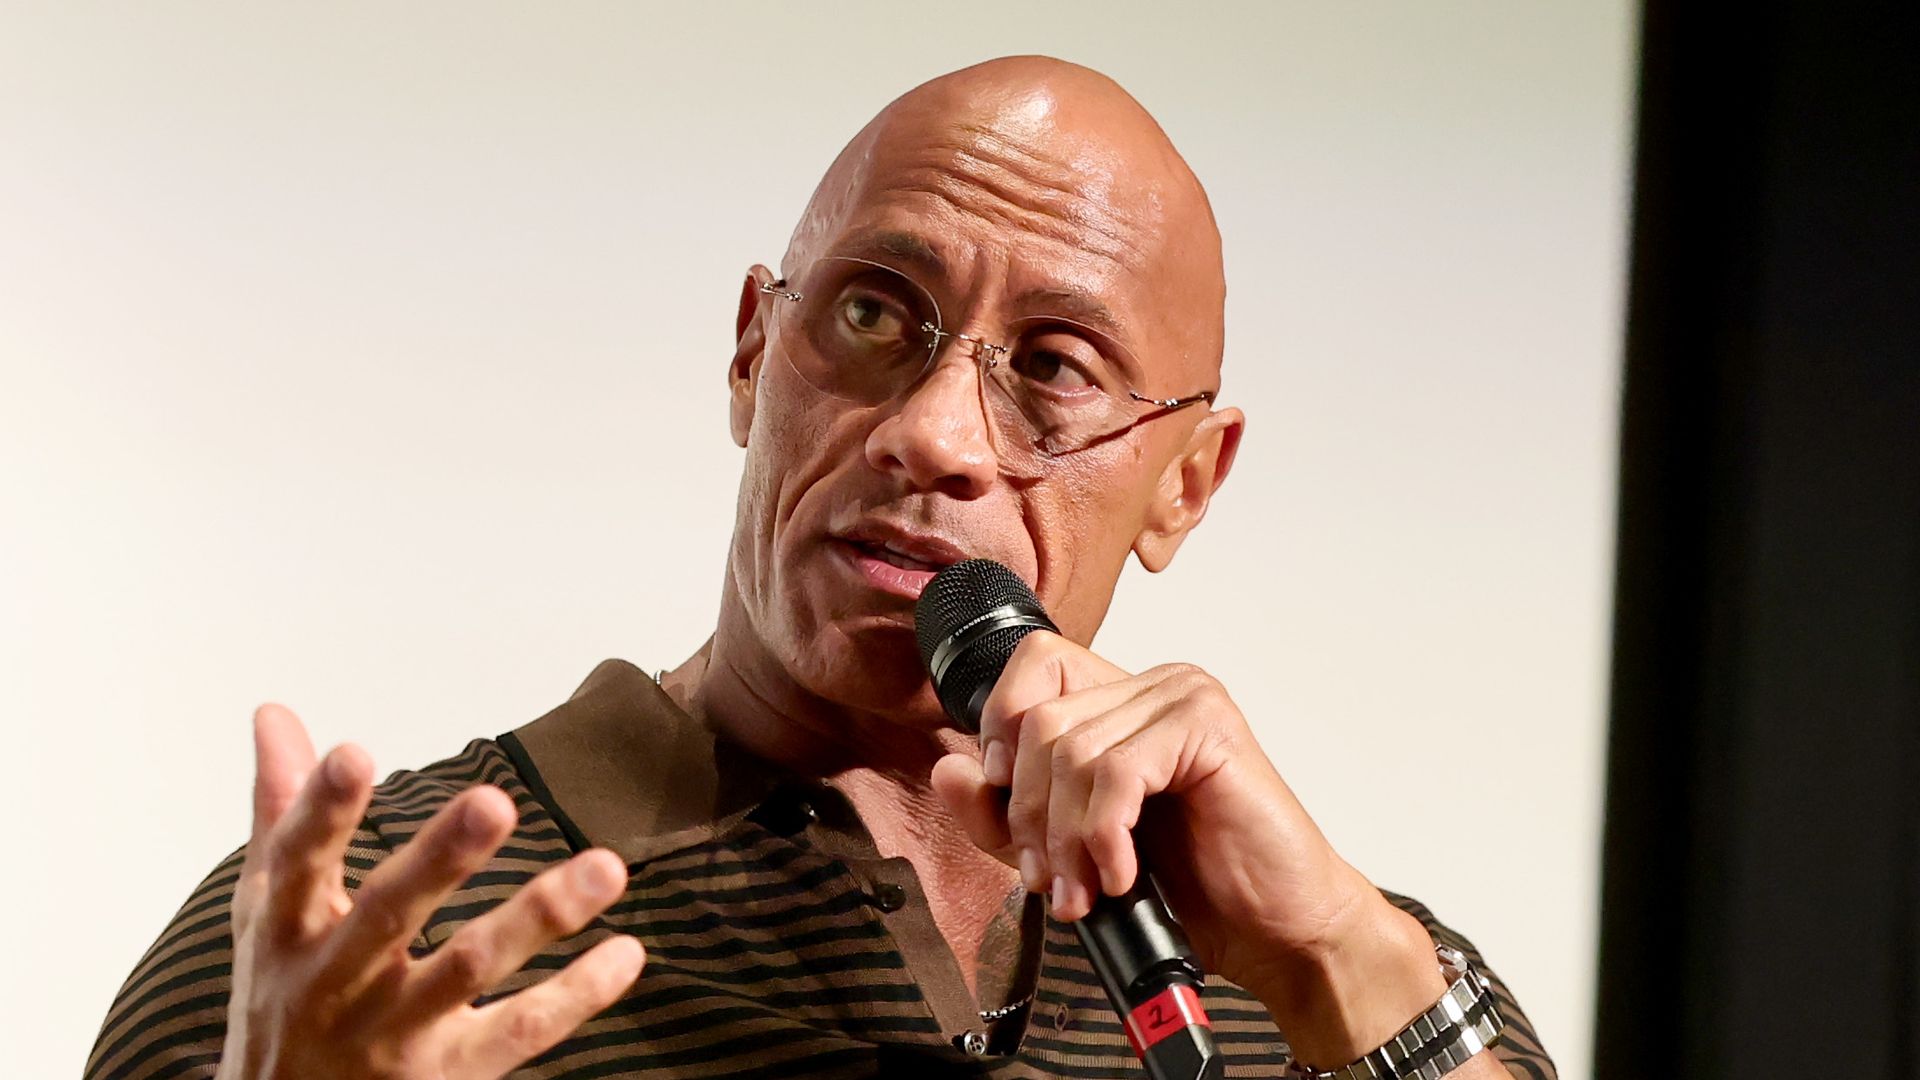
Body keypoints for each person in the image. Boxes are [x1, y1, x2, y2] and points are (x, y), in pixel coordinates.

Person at [88, 56, 1556, 1080]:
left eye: (1054, 366)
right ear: (751, 352)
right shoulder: (354, 953)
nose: (933, 435)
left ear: (1186, 484)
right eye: (872, 315)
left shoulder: (1354, 989)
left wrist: (1344, 966)